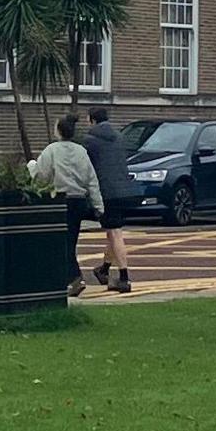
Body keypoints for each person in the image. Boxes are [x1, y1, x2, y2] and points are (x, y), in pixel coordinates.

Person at [27, 114, 103, 300]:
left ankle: (75, 278)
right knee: (71, 240)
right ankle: (71, 278)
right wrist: (98, 205)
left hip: (60, 201)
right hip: (79, 201)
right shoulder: (81, 151)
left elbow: (41, 175)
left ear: (59, 131)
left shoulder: (52, 150)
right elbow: (91, 180)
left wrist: (31, 166)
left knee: (61, 243)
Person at [83, 105, 137, 293]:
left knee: (115, 233)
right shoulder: (120, 138)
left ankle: (124, 277)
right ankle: (104, 269)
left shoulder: (89, 141)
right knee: (113, 231)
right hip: (124, 190)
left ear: (92, 120)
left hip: (107, 192)